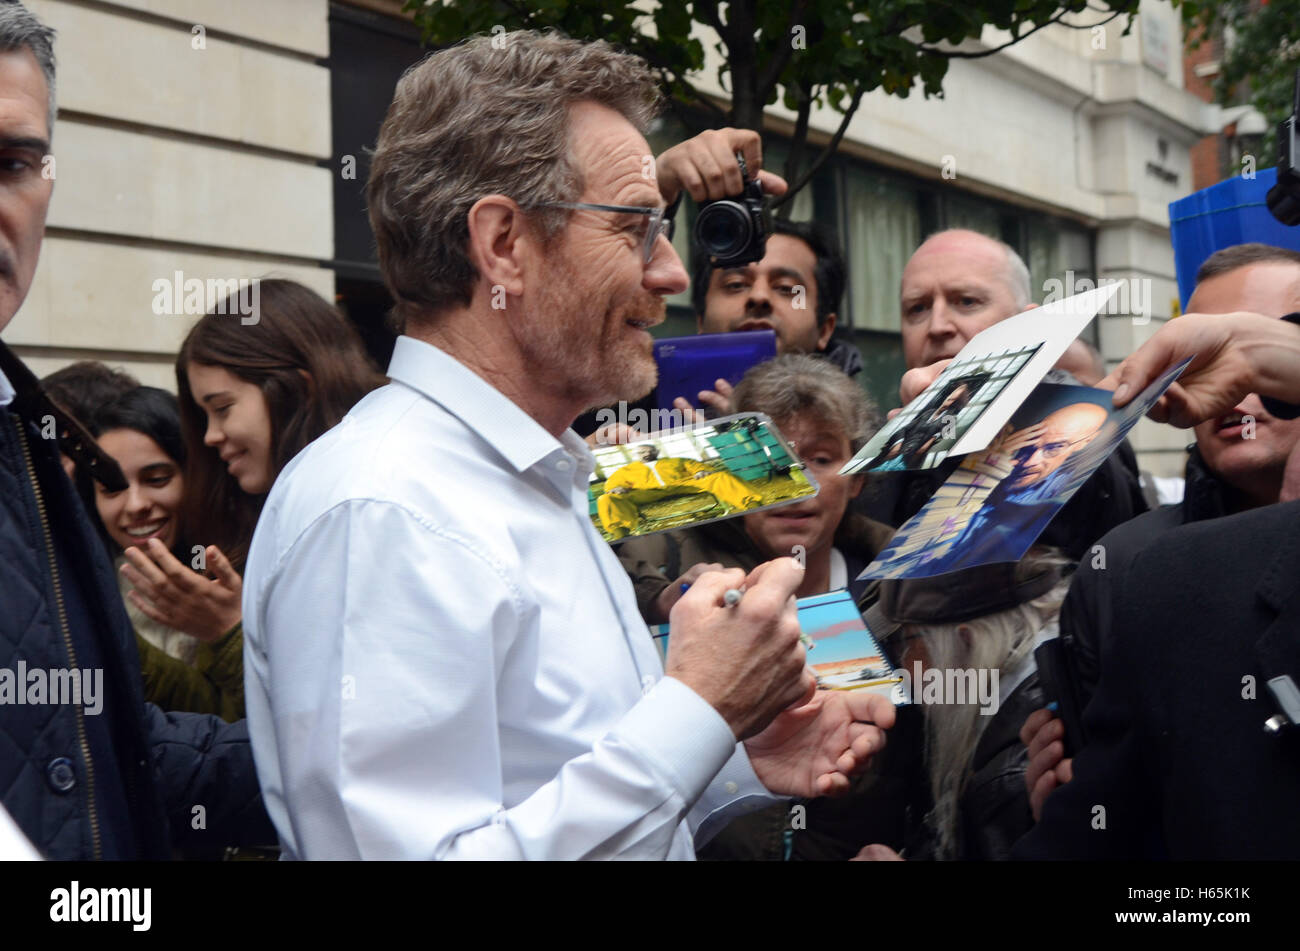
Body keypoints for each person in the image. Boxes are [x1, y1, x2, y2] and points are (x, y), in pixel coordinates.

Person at [242, 30, 894, 860]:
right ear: (504, 244)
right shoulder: (384, 509)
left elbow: (554, 775)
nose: (671, 275)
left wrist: (728, 754)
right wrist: (698, 710)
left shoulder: (538, 477)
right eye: (635, 231)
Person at [0, 1, 271, 858]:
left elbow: (103, 754)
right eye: (208, 413)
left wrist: (362, 754)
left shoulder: (29, 447)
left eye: (13, 161)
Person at [1019, 243, 1300, 820]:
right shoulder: (1123, 568)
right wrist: (1074, 805)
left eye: (1261, 354)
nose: (1237, 387)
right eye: (1204, 357)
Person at [865, 230, 1148, 561]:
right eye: (917, 308)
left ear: (1029, 324)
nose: (937, 325)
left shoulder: (1082, 420)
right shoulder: (883, 461)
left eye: (966, 301)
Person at [619, 353, 894, 622]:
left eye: (820, 459)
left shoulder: (898, 585)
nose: (793, 485)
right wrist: (658, 604)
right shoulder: (662, 563)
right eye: (765, 456)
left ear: (857, 479)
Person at [853, 550, 1072, 861]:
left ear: (965, 643)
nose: (901, 666)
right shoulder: (1061, 675)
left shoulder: (1012, 777)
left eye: (905, 643)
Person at [80, 386, 244, 721]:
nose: (136, 505)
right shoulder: (80, 583)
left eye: (156, 479)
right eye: (111, 488)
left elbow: (234, 721)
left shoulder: (239, 574)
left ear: (196, 473)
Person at [596, 443, 763, 539]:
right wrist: (614, 488)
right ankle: (621, 534)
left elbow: (696, 466)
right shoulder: (626, 470)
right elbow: (614, 483)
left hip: (684, 484)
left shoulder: (677, 460)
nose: (645, 453)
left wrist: (700, 471)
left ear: (656, 452)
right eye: (641, 451)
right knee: (606, 499)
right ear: (636, 454)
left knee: (720, 476)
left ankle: (753, 506)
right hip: (646, 492)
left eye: (649, 450)